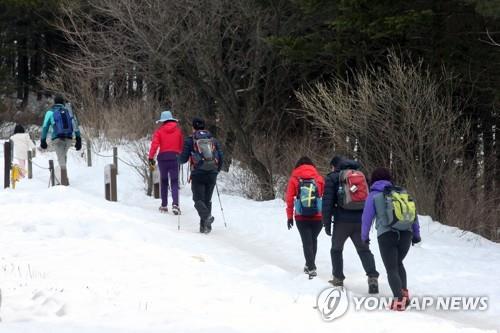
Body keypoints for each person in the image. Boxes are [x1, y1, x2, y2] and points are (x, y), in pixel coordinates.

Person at [361, 167, 421, 311]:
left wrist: (364, 237)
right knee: (398, 263)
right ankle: (404, 294)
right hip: (406, 234)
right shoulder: (401, 192)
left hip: (386, 235)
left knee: (391, 268)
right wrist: (416, 234)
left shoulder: (374, 195)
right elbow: (414, 215)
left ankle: (398, 301)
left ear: (373, 180)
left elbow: (366, 218)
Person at [322, 155, 379, 293]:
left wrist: (327, 223)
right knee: (364, 250)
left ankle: (338, 278)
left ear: (334, 166)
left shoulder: (333, 177)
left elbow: (327, 203)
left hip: (342, 221)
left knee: (336, 249)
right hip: (360, 221)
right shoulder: (362, 176)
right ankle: (372, 278)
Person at [179, 117, 223, 233]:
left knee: (198, 199)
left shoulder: (190, 140)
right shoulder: (213, 140)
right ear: (204, 127)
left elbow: (183, 159)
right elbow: (221, 156)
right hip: (212, 173)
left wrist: (176, 159)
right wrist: (216, 170)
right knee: (207, 200)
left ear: (193, 127)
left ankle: (207, 218)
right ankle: (205, 227)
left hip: (198, 173)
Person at [285, 156, 324, 278]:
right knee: (313, 240)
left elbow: (289, 199)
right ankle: (309, 264)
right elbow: (324, 196)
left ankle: (311, 267)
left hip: (301, 216)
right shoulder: (319, 178)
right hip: (318, 216)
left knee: (307, 242)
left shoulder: (294, 179)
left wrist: (289, 216)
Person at [148, 110, 184, 214]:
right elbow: (181, 146)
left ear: (163, 121)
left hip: (163, 158)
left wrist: (151, 157)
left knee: (164, 182)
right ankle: (175, 204)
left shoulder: (159, 131)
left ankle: (164, 205)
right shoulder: (178, 131)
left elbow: (154, 145)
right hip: (175, 158)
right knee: (174, 181)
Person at [40, 95, 82, 168]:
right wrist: (78, 139)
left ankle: (63, 177)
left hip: (57, 138)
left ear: (54, 102)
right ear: (63, 103)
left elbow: (45, 127)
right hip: (69, 138)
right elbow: (75, 125)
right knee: (63, 156)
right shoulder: (69, 112)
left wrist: (43, 140)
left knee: (61, 158)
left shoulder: (50, 112)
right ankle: (62, 175)